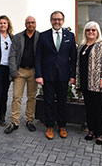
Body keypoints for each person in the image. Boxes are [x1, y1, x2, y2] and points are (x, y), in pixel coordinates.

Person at [35, 11, 76, 140]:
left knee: (62, 101)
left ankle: (62, 126)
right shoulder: (43, 36)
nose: (57, 22)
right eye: (54, 19)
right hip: (48, 75)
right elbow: (38, 57)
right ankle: (50, 126)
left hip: (64, 75)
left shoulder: (70, 35)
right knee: (48, 101)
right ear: (51, 20)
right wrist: (39, 75)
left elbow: (73, 57)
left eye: (59, 19)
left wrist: (72, 75)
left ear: (63, 21)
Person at [75, 21, 102, 145]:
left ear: (97, 32)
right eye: (88, 30)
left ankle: (100, 134)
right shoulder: (82, 46)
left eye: (93, 30)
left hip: (98, 84)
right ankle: (91, 131)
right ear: (85, 32)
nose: (91, 32)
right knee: (89, 108)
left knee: (99, 109)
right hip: (85, 83)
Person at [5, 16, 39, 134]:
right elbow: (12, 54)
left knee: (32, 97)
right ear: (25, 24)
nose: (30, 24)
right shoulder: (18, 37)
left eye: (32, 22)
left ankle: (29, 120)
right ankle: (14, 122)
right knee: (16, 97)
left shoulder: (40, 37)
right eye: (28, 22)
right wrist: (13, 71)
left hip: (34, 72)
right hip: (20, 71)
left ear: (35, 24)